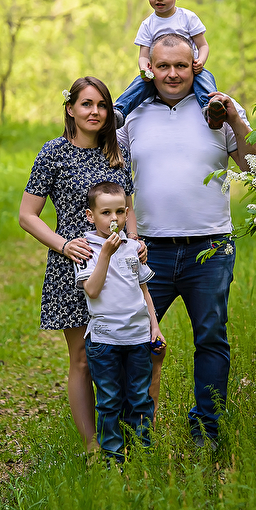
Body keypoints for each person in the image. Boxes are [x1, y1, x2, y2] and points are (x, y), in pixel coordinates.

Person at [117, 33, 256, 448]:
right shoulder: (132, 116)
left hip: (210, 249)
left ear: (195, 66)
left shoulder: (217, 112)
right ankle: (134, 432)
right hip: (148, 251)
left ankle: (206, 430)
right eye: (163, 66)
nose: (172, 74)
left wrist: (236, 118)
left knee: (211, 339)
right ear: (150, 68)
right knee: (134, 340)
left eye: (181, 66)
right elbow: (110, 179)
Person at [18, 76, 144, 453]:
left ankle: (127, 436)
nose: (95, 112)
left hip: (119, 271)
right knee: (83, 359)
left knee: (122, 353)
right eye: (87, 104)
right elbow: (27, 215)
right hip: (74, 266)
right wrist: (63, 244)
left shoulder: (117, 153)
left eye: (102, 105)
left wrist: (136, 242)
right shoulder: (53, 152)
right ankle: (93, 446)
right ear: (70, 108)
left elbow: (128, 207)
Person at [74, 181, 165, 463]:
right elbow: (92, 290)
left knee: (139, 398)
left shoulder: (133, 247)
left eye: (119, 212)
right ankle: (113, 459)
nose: (113, 219)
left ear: (127, 213)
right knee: (109, 401)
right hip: (104, 340)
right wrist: (105, 254)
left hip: (138, 337)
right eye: (105, 213)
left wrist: (154, 326)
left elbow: (144, 291)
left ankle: (142, 454)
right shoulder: (86, 249)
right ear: (90, 216)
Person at [114, 0, 227, 129]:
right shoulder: (148, 25)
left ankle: (210, 110)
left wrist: (201, 61)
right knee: (138, 84)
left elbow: (203, 45)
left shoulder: (187, 18)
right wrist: (144, 69)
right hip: (158, 74)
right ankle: (118, 112)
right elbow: (143, 55)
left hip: (189, 70)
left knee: (205, 78)